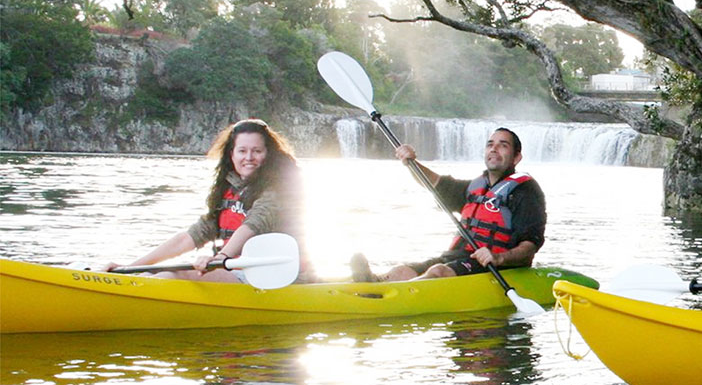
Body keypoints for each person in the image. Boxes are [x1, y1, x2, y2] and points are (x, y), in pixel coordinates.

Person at [106, 118, 310, 282]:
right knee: (157, 274)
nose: (249, 157)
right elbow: (188, 238)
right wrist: (130, 268)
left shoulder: (278, 189)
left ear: (268, 155)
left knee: (176, 276)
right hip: (237, 272)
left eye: (257, 151)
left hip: (277, 278)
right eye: (242, 151)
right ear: (232, 155)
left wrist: (221, 258)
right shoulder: (228, 191)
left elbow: (254, 224)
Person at [357, 127, 547, 281]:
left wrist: (498, 257)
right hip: (457, 259)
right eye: (490, 144)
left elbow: (530, 245)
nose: (494, 149)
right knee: (401, 271)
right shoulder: (474, 188)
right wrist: (411, 162)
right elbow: (434, 183)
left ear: (516, 157)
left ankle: (390, 297)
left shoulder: (527, 192)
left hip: (495, 267)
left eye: (503, 145)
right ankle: (372, 284)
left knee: (438, 271)